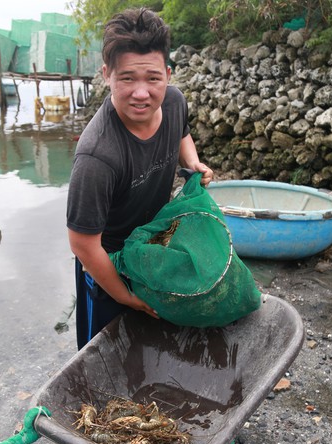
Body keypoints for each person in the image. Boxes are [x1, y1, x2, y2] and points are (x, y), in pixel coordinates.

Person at [66, 8, 213, 350]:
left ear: (168, 74)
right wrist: (126, 295)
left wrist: (192, 162)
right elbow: (83, 245)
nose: (141, 93)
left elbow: (181, 133)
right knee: (106, 351)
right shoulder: (97, 156)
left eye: (153, 78)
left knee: (154, 344)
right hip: (108, 261)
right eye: (127, 78)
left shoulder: (175, 102)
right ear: (107, 75)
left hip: (154, 243)